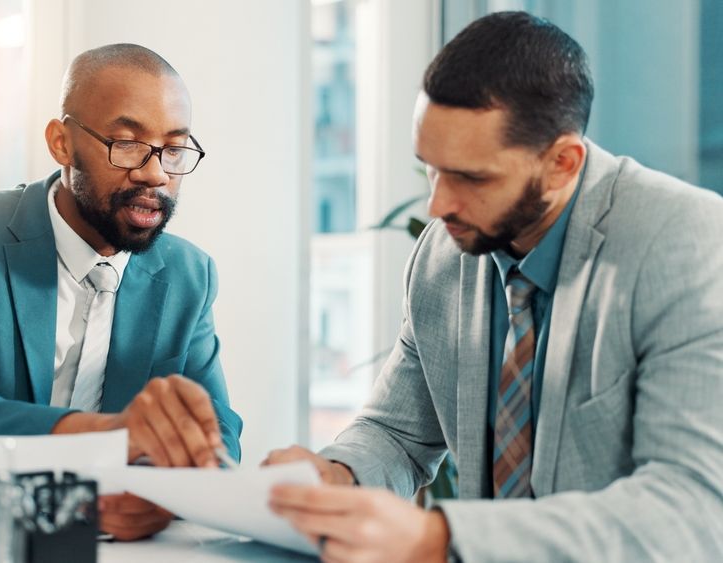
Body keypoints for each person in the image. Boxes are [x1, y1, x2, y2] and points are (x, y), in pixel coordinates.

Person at [265, 11, 723, 561]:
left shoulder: (686, 242)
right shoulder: (445, 253)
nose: (438, 206)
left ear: (561, 163)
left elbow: (692, 507)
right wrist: (336, 476)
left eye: (471, 177)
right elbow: (398, 434)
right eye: (431, 170)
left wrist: (442, 539)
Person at [0, 43, 242, 541]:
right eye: (126, 143)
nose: (156, 173)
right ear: (61, 143)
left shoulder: (189, 274)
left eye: (175, 148)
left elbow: (216, 435)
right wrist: (109, 443)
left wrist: (162, 493)